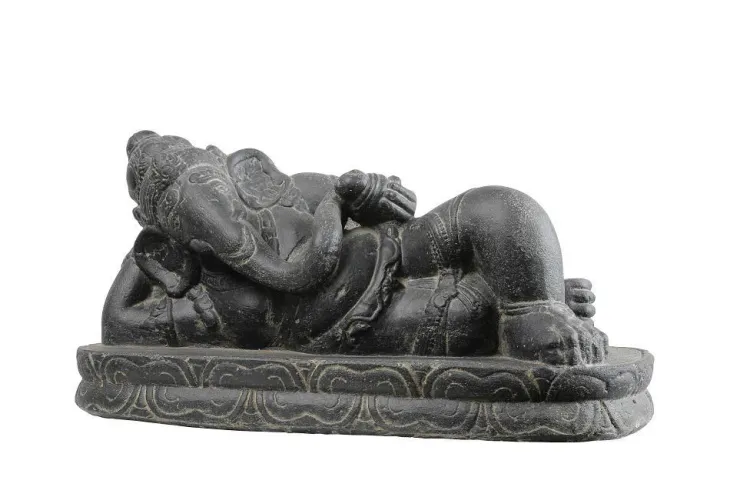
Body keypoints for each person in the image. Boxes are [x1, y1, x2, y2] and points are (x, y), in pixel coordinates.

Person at [104, 131, 606, 365]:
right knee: (471, 319)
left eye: (213, 193)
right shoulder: (195, 297)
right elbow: (116, 325)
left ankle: (530, 302)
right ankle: (520, 302)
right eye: (196, 223)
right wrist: (142, 254)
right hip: (352, 325)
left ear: (238, 176)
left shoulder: (284, 191)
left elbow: (385, 209)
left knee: (499, 208)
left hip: (394, 249)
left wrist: (369, 194)